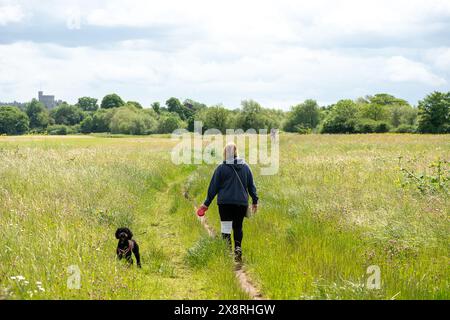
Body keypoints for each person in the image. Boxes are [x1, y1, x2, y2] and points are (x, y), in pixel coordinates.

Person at [197, 142, 258, 263]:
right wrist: (255, 201)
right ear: (236, 152)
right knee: (238, 227)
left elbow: (213, 187)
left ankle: (228, 252)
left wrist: (206, 203)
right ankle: (238, 249)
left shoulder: (221, 168)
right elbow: (251, 186)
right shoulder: (245, 167)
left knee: (226, 227)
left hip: (225, 203)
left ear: (225, 153)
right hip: (241, 203)